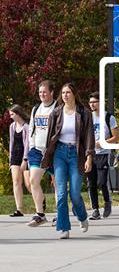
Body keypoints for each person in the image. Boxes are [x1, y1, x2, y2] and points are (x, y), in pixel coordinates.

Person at [41, 83, 95, 239]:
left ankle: (82, 216)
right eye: (63, 93)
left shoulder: (84, 113)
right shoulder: (56, 113)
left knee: (75, 194)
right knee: (62, 194)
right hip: (60, 154)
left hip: (77, 155)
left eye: (68, 92)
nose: (65, 95)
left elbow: (89, 137)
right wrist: (48, 158)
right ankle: (64, 227)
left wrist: (89, 157)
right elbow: (50, 137)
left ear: (74, 94)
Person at [27, 80, 57, 227]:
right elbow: (32, 128)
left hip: (55, 151)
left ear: (52, 92)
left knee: (58, 184)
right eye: (40, 92)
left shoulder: (58, 107)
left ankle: (60, 214)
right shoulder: (36, 108)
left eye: (45, 92)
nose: (42, 95)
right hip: (37, 150)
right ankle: (40, 214)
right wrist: (32, 145)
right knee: (33, 180)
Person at [87, 91, 118, 220]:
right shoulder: (88, 118)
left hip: (104, 153)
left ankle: (107, 201)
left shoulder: (108, 117)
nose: (92, 104)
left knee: (102, 182)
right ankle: (95, 209)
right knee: (91, 183)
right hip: (90, 154)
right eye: (90, 102)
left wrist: (103, 143)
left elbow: (115, 137)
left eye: (94, 102)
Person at [8, 105, 31, 217]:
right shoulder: (12, 126)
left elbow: (27, 144)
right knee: (16, 182)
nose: (11, 117)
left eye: (12, 114)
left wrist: (25, 160)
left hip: (25, 157)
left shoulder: (26, 127)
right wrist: (10, 160)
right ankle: (19, 209)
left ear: (18, 114)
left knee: (28, 184)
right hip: (15, 157)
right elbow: (11, 143)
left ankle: (41, 200)